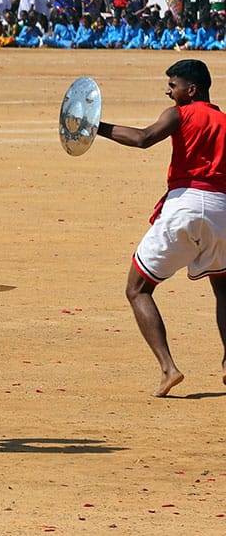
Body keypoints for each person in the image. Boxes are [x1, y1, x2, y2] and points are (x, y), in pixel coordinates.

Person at [96, 59, 226, 397]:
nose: (169, 91)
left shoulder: (180, 113)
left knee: (138, 289)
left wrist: (94, 126)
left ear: (191, 89)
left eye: (173, 85)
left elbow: (142, 139)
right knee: (224, 289)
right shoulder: (225, 121)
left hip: (184, 205)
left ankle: (169, 368)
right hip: (222, 208)